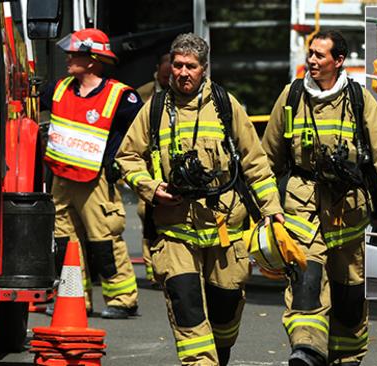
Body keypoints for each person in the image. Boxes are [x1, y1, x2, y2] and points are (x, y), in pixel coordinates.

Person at [116, 33, 285, 365]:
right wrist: (151, 188)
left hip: (225, 228)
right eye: (177, 65)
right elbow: (127, 158)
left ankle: (219, 356)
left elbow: (255, 162)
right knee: (186, 301)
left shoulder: (225, 106)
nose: (182, 73)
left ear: (204, 69)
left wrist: (272, 210)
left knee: (226, 305)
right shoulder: (154, 110)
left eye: (190, 66)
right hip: (175, 228)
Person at [262, 30, 377, 366]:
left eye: (320, 56)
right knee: (306, 278)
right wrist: (267, 208)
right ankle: (307, 349)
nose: (311, 61)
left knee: (349, 294)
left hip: (348, 212)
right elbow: (266, 160)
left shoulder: (359, 101)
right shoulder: (291, 96)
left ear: (338, 61)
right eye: (310, 53)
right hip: (302, 207)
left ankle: (347, 358)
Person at [42, 28, 142, 319]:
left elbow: (140, 133)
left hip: (95, 181)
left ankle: (123, 299)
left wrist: (118, 161)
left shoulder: (121, 97)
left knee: (104, 242)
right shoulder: (58, 89)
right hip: (61, 179)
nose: (68, 57)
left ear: (93, 60)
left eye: (75, 53)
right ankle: (75, 298)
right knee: (64, 244)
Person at [135, 52, 172, 284]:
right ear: (157, 70)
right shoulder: (143, 94)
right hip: (149, 167)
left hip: (170, 166)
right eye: (166, 74)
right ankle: (152, 267)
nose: (170, 78)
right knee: (146, 213)